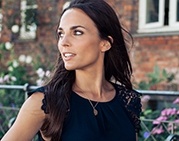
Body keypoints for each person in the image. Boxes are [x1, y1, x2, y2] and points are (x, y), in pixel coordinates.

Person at [2, 0, 142, 140]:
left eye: (77, 32)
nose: (63, 42)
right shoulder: (45, 102)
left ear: (105, 43)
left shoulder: (128, 101)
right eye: (61, 34)